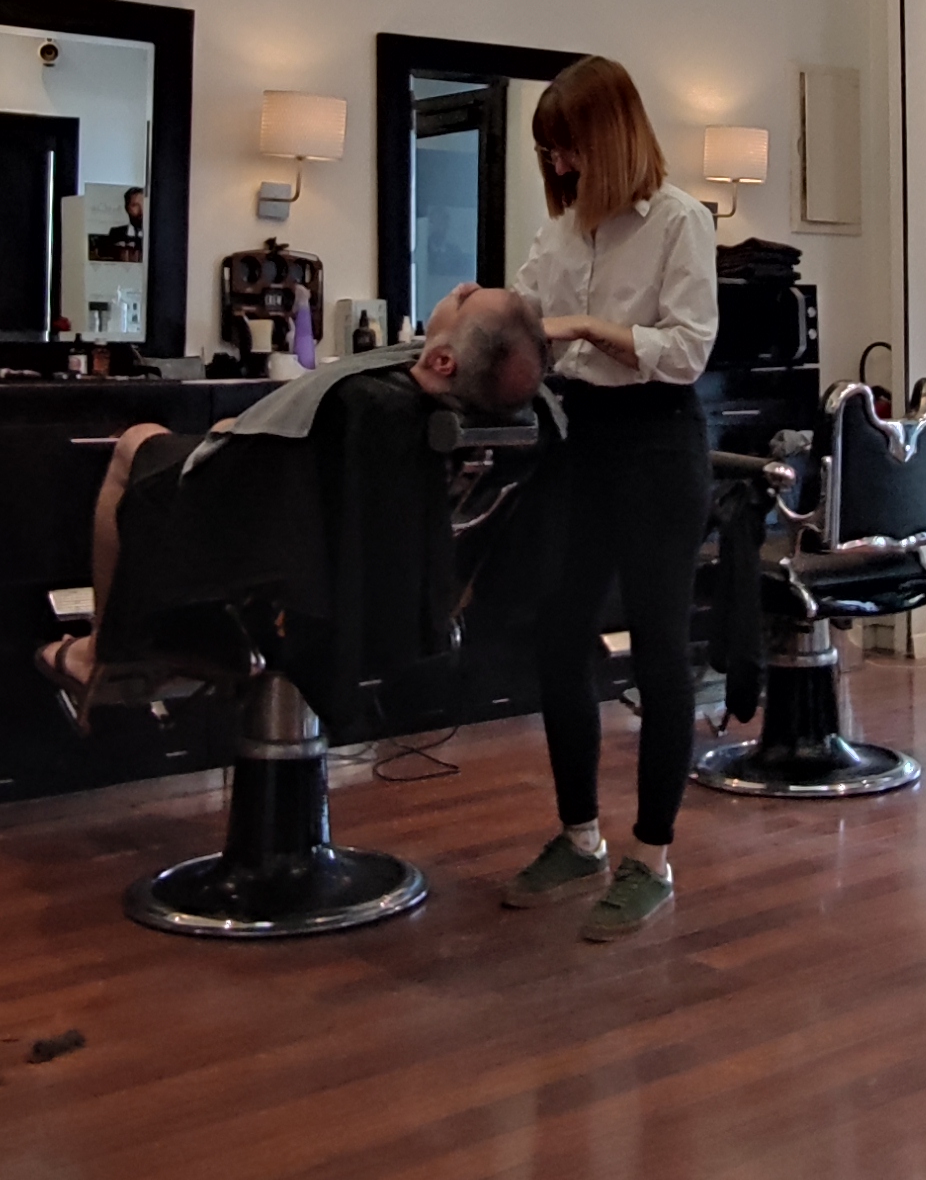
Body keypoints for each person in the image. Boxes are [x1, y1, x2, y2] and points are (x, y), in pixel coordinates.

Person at [39, 281, 545, 712]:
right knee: (212, 436)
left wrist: (237, 436)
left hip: (273, 559)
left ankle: (105, 655)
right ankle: (194, 643)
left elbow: (274, 474)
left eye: (468, 299)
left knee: (136, 442)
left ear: (441, 360)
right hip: (352, 588)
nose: (464, 287)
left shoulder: (371, 401)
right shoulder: (459, 413)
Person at [505, 54, 717, 943]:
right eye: (549, 152)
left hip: (659, 443)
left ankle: (652, 858)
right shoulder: (558, 235)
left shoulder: (680, 221)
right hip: (580, 441)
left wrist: (591, 326)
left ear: (610, 138)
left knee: (660, 650)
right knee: (559, 632)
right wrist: (475, 319)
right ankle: (578, 836)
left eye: (568, 148)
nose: (558, 165)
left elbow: (688, 350)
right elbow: (522, 319)